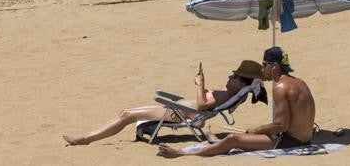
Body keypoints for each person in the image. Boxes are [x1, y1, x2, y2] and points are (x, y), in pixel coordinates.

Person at [157, 47, 315, 158]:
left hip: (289, 142)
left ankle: (183, 153)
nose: (262, 69)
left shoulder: (280, 88)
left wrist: (256, 129)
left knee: (234, 139)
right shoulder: (300, 83)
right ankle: (217, 142)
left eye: (264, 65)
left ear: (274, 67)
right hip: (305, 139)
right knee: (243, 136)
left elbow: (282, 125)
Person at [64, 60, 265, 146]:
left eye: (234, 76)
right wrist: (204, 88)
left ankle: (86, 138)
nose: (230, 76)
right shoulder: (230, 92)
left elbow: (202, 106)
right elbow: (206, 103)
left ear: (241, 83)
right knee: (126, 113)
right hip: (180, 110)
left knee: (126, 114)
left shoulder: (226, 94)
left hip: (179, 114)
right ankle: (87, 137)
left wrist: (200, 83)